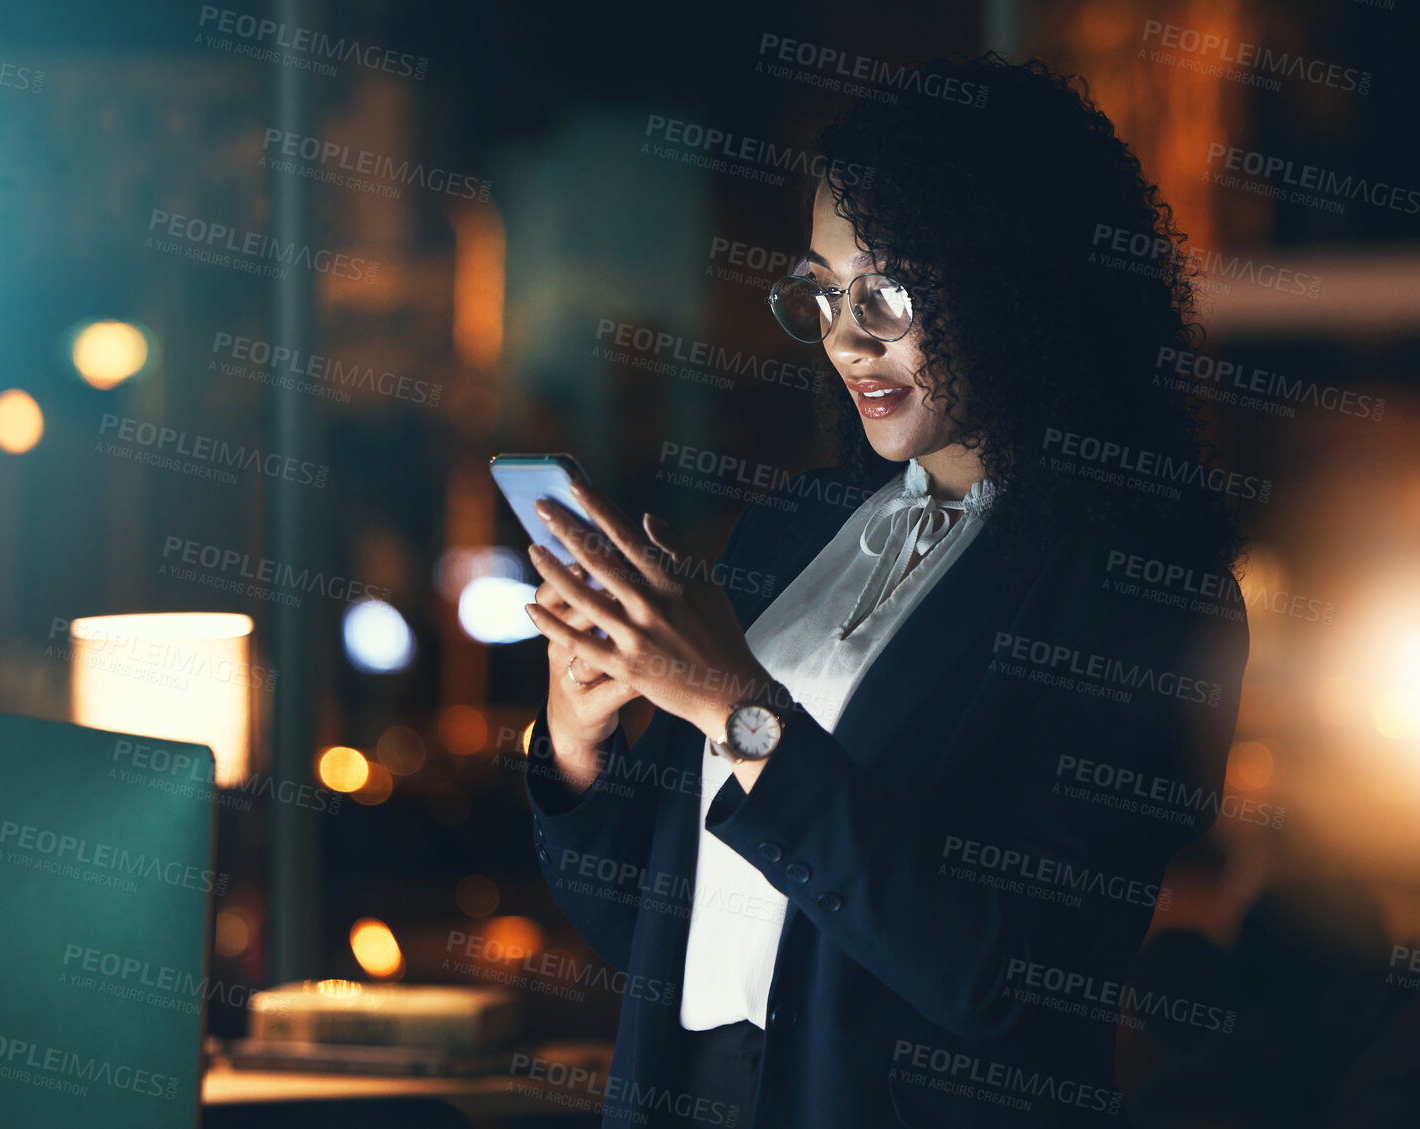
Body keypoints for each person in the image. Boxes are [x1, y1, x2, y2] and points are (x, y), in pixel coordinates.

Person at [520, 52, 1250, 1128]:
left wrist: (736, 705)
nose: (844, 339)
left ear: (1019, 281)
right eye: (820, 292)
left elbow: (1004, 976)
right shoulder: (792, 529)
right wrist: (580, 740)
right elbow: (660, 934)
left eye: (890, 292)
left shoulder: (1140, 591)